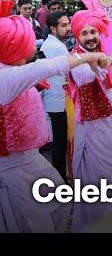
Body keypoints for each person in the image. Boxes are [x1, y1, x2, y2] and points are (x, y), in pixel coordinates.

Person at [0, 4, 110, 232]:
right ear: (15, 47)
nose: (33, 46)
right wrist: (89, 56)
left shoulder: (10, 70)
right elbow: (48, 67)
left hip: (30, 158)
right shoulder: (6, 77)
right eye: (28, 42)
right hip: (13, 166)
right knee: (32, 222)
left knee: (58, 203)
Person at [67, 0, 112, 232]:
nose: (90, 37)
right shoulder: (76, 59)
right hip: (91, 127)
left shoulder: (98, 53)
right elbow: (87, 76)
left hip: (108, 122)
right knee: (100, 178)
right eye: (84, 33)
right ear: (77, 37)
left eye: (93, 32)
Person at [39, 11, 72, 182]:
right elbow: (69, 69)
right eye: (63, 25)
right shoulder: (57, 46)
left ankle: (60, 178)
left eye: (68, 24)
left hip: (53, 99)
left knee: (59, 143)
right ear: (53, 28)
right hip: (57, 101)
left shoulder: (50, 44)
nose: (68, 28)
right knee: (60, 144)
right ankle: (60, 180)